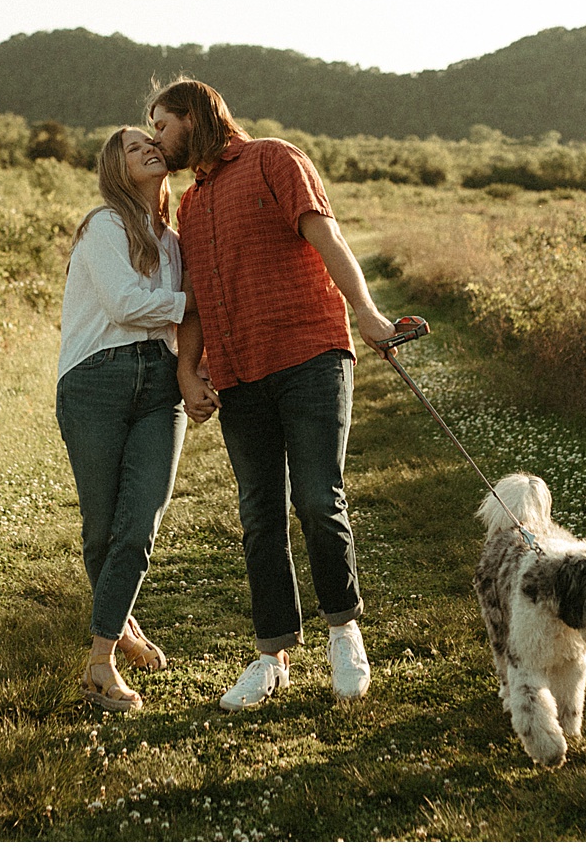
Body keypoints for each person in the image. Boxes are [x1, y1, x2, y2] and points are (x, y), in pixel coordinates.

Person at [148, 78, 397, 711]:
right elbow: (197, 300)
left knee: (317, 497)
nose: (156, 138)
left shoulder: (273, 158)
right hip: (240, 373)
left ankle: (345, 632)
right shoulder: (191, 207)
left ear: (195, 117)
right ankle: (272, 656)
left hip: (310, 354)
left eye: (161, 125)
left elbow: (328, 239)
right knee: (259, 515)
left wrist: (367, 313)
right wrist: (188, 370)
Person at [55, 126, 196, 711]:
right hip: (96, 380)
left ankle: (101, 660)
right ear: (118, 169)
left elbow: (171, 325)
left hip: (161, 385)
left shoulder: (173, 240)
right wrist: (195, 303)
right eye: (134, 147)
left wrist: (195, 360)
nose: (150, 148)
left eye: (153, 142)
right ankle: (119, 631)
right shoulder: (105, 225)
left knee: (139, 523)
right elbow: (124, 304)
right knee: (102, 525)